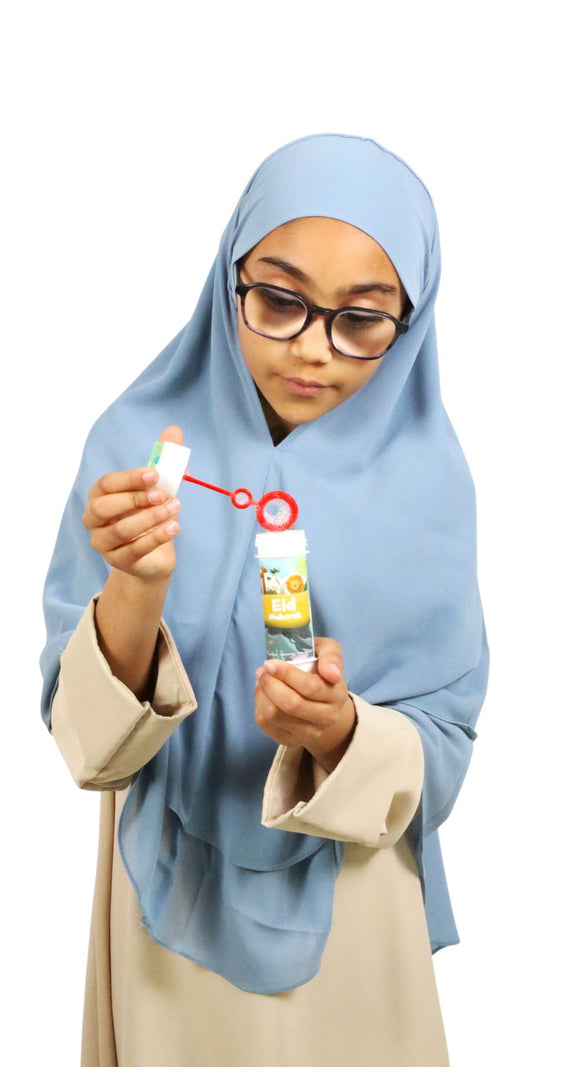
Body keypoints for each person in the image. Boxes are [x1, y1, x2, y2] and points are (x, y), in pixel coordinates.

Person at [41, 133, 488, 1066]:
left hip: (353, 917)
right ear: (229, 278)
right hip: (159, 911)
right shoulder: (141, 449)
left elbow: (441, 752)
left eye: (360, 319)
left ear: (411, 322)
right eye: (279, 300)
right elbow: (88, 750)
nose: (312, 349)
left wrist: (341, 732)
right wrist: (137, 585)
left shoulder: (428, 488)